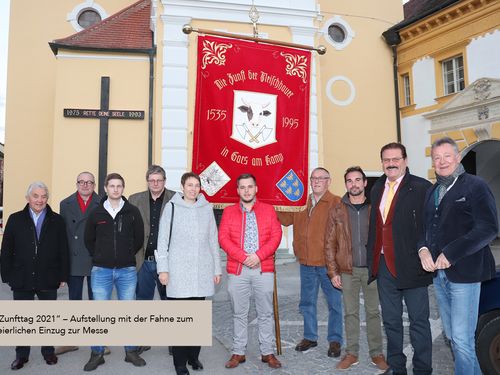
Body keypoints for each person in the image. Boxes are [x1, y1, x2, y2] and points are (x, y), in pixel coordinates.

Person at [418, 137, 498, 375]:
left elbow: (488, 228)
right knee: (454, 336)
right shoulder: (433, 191)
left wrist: (451, 254)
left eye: (447, 156)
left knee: (462, 339)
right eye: (437, 158)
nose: (442, 162)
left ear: (458, 157)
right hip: (439, 276)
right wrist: (423, 250)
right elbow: (425, 230)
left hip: (466, 273)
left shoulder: (475, 185)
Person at [366, 142, 433, 375]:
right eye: (386, 160)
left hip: (413, 265)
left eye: (396, 159)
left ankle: (423, 370)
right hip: (384, 266)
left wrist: (425, 250)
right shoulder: (376, 189)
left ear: (405, 160)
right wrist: (371, 262)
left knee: (419, 322)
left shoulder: (421, 187)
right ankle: (397, 368)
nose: (391, 163)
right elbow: (375, 227)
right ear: (382, 163)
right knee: (391, 322)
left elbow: (429, 226)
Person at [156, 172, 221, 375]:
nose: (193, 188)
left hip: (201, 271)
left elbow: (213, 240)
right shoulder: (172, 207)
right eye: (189, 185)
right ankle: (180, 363)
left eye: (196, 185)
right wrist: (163, 269)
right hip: (178, 272)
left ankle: (194, 356)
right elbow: (163, 240)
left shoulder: (206, 208)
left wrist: (217, 268)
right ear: (182, 187)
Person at [325, 166, 388, 371]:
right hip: (347, 271)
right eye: (350, 181)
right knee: (350, 313)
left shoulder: (375, 208)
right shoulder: (337, 210)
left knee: (373, 313)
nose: (354, 184)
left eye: (357, 180)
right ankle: (352, 353)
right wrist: (333, 272)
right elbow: (329, 244)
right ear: (346, 185)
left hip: (372, 271)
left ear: (364, 183)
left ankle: (376, 353)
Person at [0, 182, 69, 370]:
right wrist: (6, 274)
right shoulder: (15, 219)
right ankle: (21, 355)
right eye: (36, 196)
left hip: (48, 276)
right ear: (28, 198)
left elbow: (64, 249)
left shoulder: (57, 220)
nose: (40, 200)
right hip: (22, 276)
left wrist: (63, 275)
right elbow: (6, 249)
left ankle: (48, 352)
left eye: (43, 196)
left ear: (47, 198)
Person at [277, 167, 343, 358]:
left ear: (328, 181)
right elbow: (286, 219)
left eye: (321, 178)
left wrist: (338, 263)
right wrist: (273, 203)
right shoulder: (301, 203)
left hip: (327, 265)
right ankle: (310, 337)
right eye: (313, 178)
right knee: (307, 303)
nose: (316, 181)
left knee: (334, 304)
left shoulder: (335, 202)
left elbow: (343, 234)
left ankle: (335, 340)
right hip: (305, 263)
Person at [219, 173, 282, 369]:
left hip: (263, 268)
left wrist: (258, 256)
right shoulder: (229, 212)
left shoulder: (268, 210)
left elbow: (276, 235)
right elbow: (223, 238)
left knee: (265, 313)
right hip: (238, 270)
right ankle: (238, 352)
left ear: (256, 189)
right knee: (239, 313)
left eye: (250, 186)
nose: (246, 190)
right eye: (242, 187)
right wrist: (243, 257)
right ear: (237, 191)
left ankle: (267, 352)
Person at [83, 173, 145, 372]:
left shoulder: (132, 212)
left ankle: (131, 352)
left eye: (119, 186)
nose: (115, 189)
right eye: (112, 186)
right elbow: (88, 240)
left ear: (123, 188)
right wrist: (101, 256)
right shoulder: (96, 213)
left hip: (127, 270)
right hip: (101, 270)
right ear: (105, 188)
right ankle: (97, 353)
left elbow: (138, 240)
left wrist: (126, 255)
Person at [56, 171, 100, 356]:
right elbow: (62, 235)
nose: (85, 185)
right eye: (81, 182)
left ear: (94, 185)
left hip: (95, 258)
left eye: (89, 182)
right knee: (73, 301)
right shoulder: (65, 204)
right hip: (73, 259)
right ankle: (71, 340)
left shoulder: (103, 202)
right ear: (76, 184)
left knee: (96, 302)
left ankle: (97, 343)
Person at [129, 165, 175, 301]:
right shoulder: (134, 200)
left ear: (164, 181)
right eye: (152, 180)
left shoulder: (176, 199)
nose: (155, 183)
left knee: (171, 301)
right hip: (142, 261)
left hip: (168, 262)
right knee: (142, 302)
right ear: (147, 181)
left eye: (159, 180)